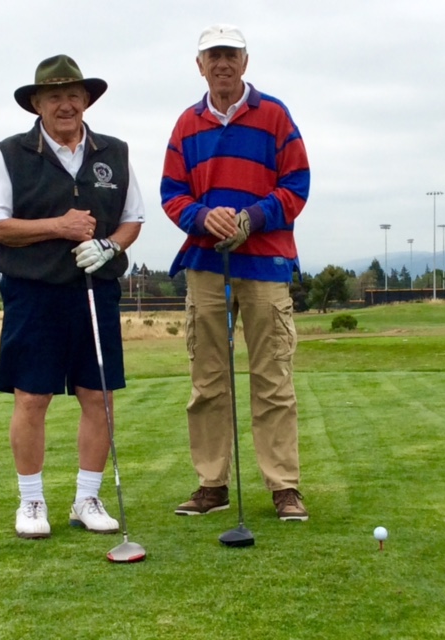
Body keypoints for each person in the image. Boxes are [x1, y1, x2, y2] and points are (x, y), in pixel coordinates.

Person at [0, 54, 145, 539]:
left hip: (96, 291)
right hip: (33, 293)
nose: (66, 105)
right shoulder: (11, 153)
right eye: (54, 96)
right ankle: (31, 501)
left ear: (86, 100)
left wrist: (110, 246)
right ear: (37, 103)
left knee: (99, 397)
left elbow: (133, 219)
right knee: (33, 397)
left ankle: (86, 498)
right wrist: (60, 226)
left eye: (74, 95)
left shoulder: (114, 152)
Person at [161, 25, 311, 521]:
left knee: (273, 379)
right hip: (207, 265)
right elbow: (172, 194)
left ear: (245, 62)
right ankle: (212, 484)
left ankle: (284, 487)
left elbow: (297, 184)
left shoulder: (275, 115)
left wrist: (253, 217)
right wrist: (204, 217)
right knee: (207, 380)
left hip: (265, 263)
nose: (222, 63)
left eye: (230, 55)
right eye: (213, 56)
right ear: (199, 65)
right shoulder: (186, 124)